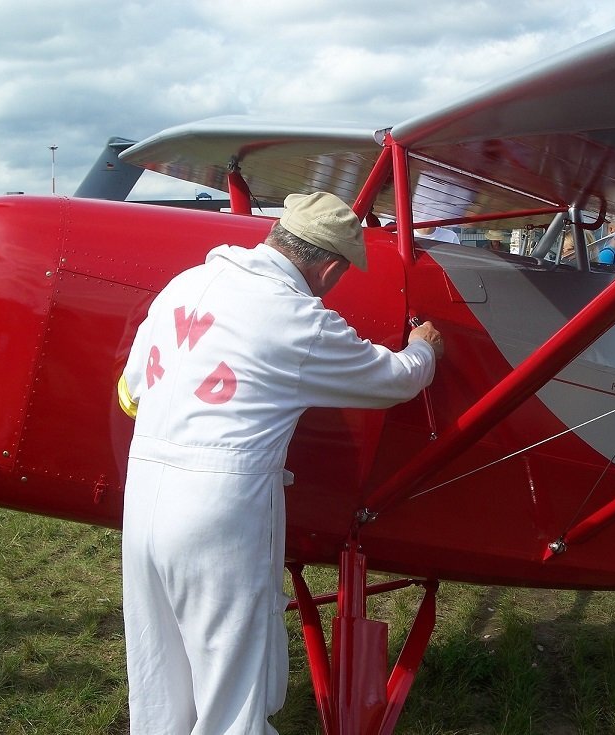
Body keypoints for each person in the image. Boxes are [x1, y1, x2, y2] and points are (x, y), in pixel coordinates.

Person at [117, 191, 444, 735]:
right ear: (331, 266)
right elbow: (395, 379)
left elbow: (131, 393)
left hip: (143, 496)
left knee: (159, 677)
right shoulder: (295, 318)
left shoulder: (184, 284)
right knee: (232, 690)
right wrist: (425, 348)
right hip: (218, 510)